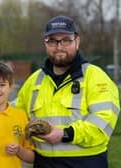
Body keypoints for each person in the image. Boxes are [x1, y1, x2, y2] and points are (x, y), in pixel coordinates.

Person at [15, 15, 120, 168]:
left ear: (77, 41)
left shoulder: (96, 77)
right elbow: (15, 117)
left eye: (66, 40)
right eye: (52, 41)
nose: (59, 47)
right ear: (45, 44)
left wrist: (64, 134)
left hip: (86, 163)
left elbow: (102, 125)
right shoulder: (33, 81)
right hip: (43, 163)